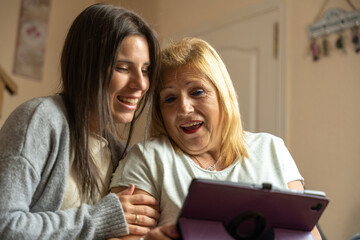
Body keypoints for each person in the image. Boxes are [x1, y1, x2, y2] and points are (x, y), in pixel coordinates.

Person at [110, 37, 322, 239]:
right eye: (170, 98)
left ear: (223, 95)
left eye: (197, 92)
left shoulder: (271, 148)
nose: (184, 107)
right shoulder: (149, 158)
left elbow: (309, 235)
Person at [0, 4, 178, 240]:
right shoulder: (41, 120)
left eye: (145, 70)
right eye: (123, 68)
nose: (141, 84)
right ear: (86, 65)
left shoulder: (119, 154)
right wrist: (102, 217)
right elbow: (6, 225)